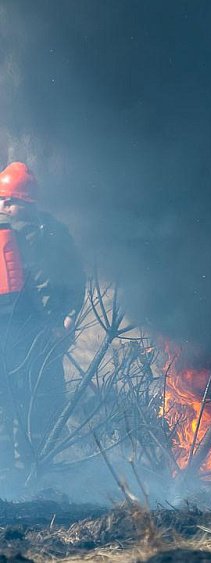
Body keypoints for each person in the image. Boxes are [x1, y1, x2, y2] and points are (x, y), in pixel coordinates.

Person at [0, 162, 85, 482]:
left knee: (44, 401)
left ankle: (33, 472)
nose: (8, 208)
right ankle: (9, 478)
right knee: (8, 404)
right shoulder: (10, 232)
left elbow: (73, 280)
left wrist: (67, 318)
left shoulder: (52, 233)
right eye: (6, 201)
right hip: (10, 333)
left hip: (42, 335)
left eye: (15, 202)